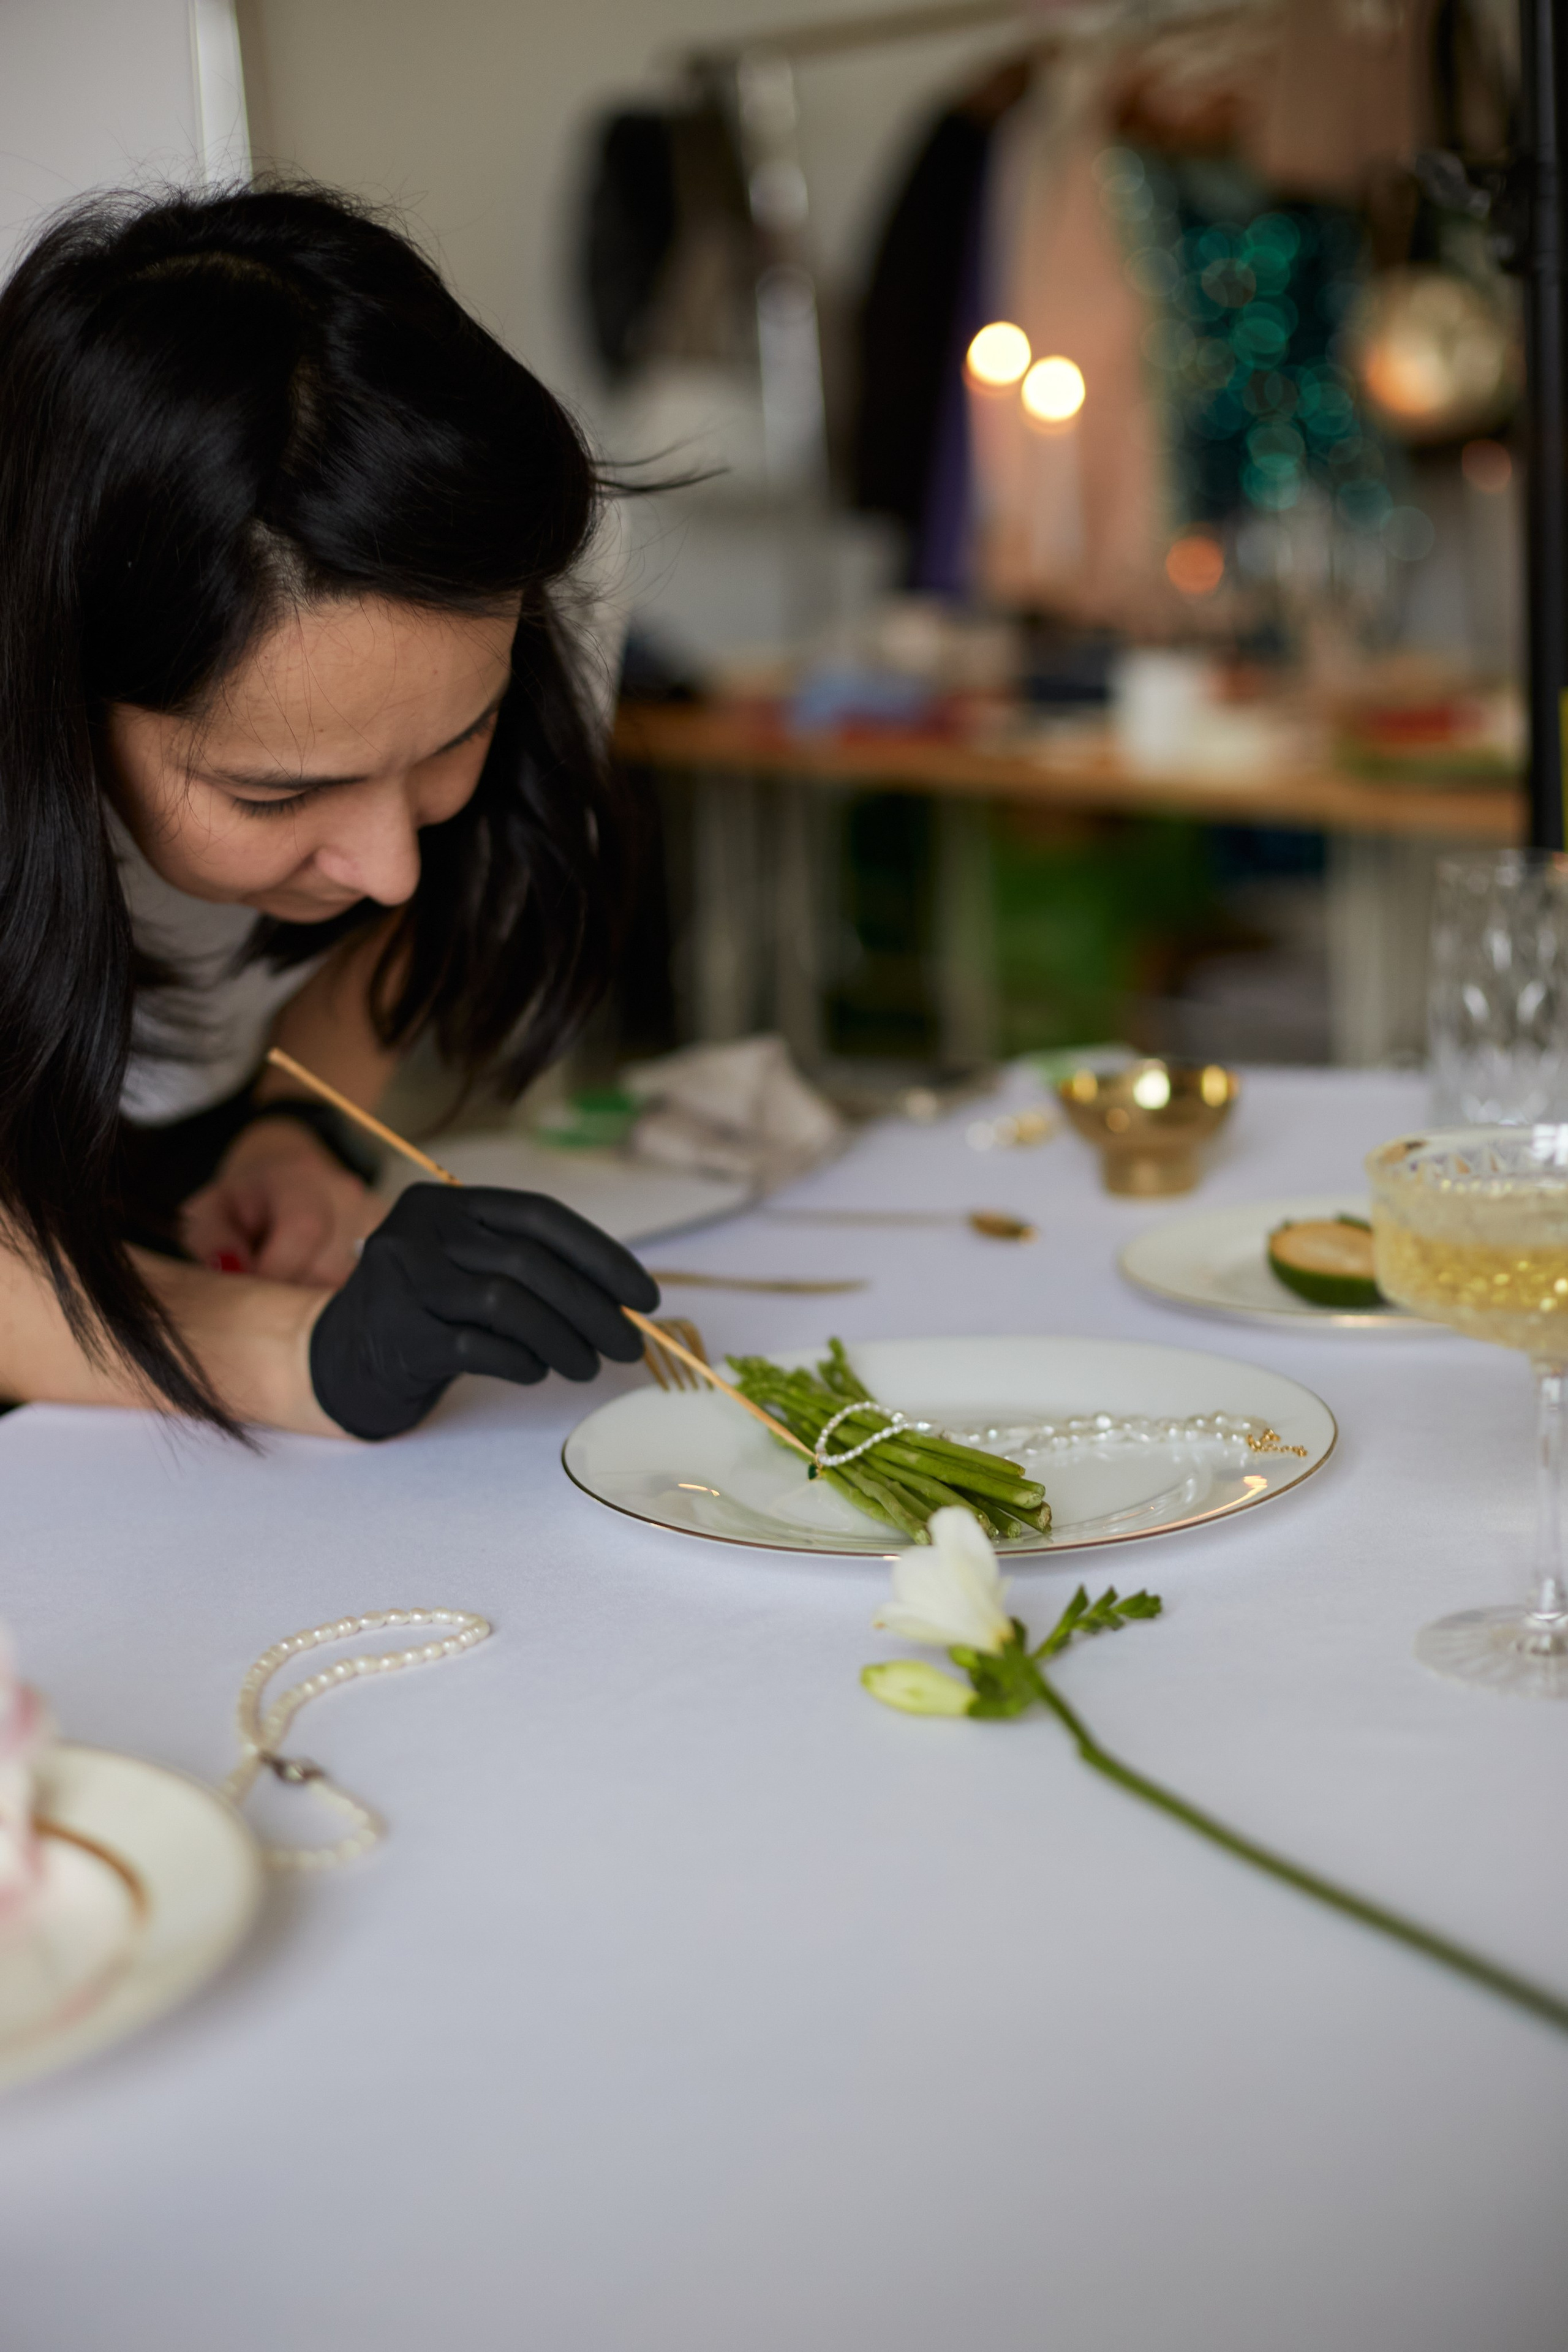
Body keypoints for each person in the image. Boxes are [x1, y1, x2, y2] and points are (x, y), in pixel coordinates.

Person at [0, 183, 660, 1442]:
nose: (389, 864)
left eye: (456, 740)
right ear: (60, 702)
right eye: (279, 793)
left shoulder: (527, 544)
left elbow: (419, 903)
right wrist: (313, 1358)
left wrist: (297, 1126)